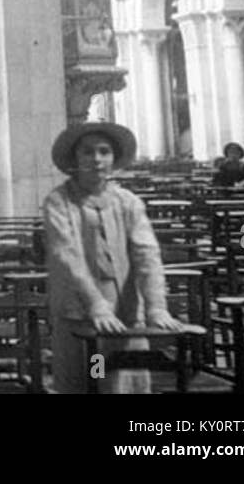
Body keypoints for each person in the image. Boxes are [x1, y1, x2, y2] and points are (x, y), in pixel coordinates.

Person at [43, 122, 181, 393]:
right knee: (93, 375)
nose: (96, 159)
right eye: (88, 152)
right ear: (75, 158)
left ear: (113, 158)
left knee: (125, 381)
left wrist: (156, 305)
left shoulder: (127, 201)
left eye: (104, 152)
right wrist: (95, 304)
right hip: (80, 310)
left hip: (125, 308)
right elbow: (66, 254)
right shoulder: (59, 201)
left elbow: (147, 254)